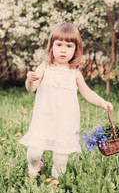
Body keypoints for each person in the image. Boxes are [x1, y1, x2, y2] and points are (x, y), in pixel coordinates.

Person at [20, 22, 113, 180]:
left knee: (61, 158)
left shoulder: (74, 73)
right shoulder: (45, 67)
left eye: (69, 46)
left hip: (65, 121)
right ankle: (35, 167)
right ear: (52, 46)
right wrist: (30, 80)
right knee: (34, 152)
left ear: (76, 49)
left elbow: (87, 92)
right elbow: (31, 88)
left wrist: (101, 102)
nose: (63, 50)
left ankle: (56, 183)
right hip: (44, 118)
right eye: (59, 44)